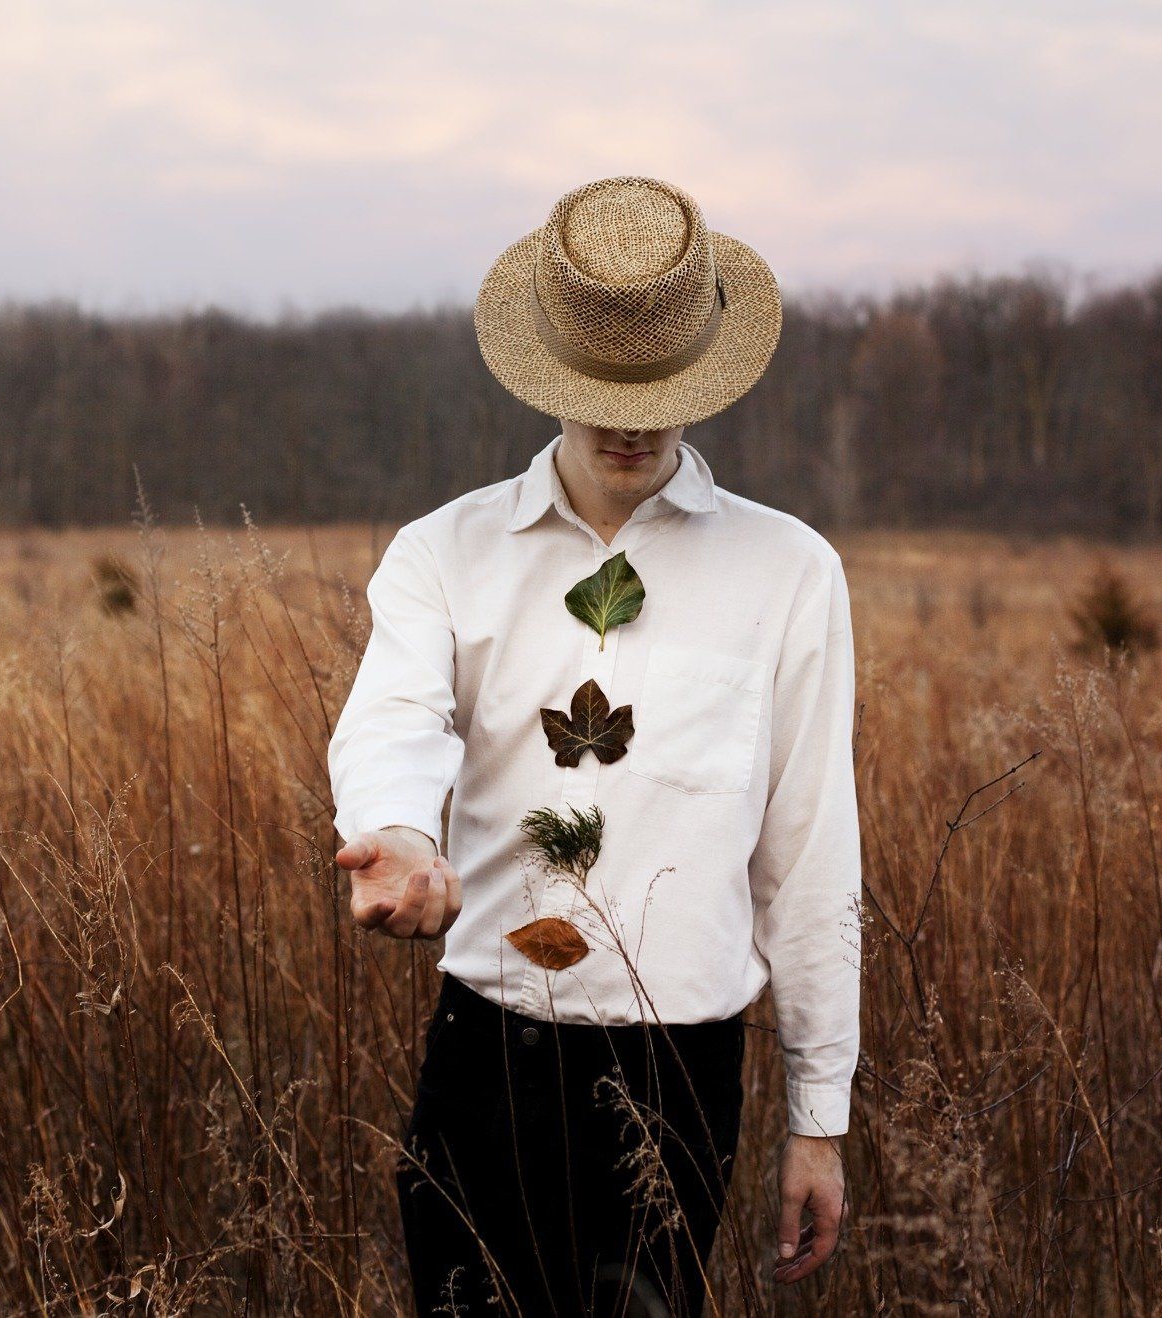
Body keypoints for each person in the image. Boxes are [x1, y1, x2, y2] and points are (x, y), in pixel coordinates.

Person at [328, 176, 860, 1317]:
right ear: (547, 374)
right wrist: (400, 838)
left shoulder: (790, 573)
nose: (629, 420)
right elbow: (394, 715)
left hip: (679, 1074)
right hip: (487, 1059)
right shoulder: (444, 551)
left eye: (661, 391)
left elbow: (810, 850)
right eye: (600, 390)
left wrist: (819, 1113)